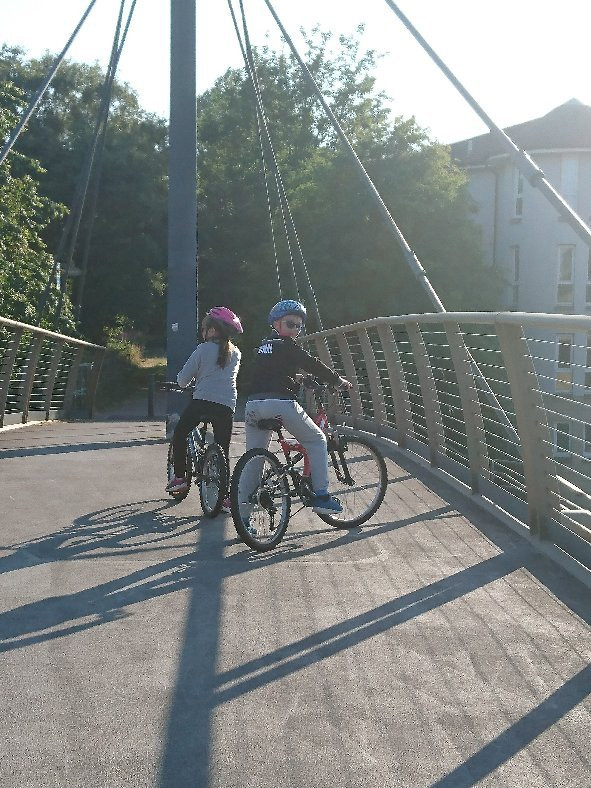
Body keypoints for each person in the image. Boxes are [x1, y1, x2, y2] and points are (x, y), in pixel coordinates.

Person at [244, 299, 352, 514]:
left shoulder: (264, 346)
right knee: (317, 440)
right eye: (290, 324)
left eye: (298, 325)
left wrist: (298, 380)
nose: (295, 329)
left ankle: (242, 516)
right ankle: (321, 496)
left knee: (254, 459)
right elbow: (313, 363)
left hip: (252, 406)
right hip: (280, 404)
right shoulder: (288, 346)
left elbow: (271, 373)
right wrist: (338, 381)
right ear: (276, 323)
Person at [166, 306, 243, 508]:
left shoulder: (202, 349)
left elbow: (183, 380)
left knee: (181, 433)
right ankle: (224, 496)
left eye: (204, 328)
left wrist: (186, 382)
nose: (202, 332)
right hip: (227, 405)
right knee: (222, 449)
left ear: (213, 330)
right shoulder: (236, 353)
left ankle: (181, 478)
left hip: (202, 401)